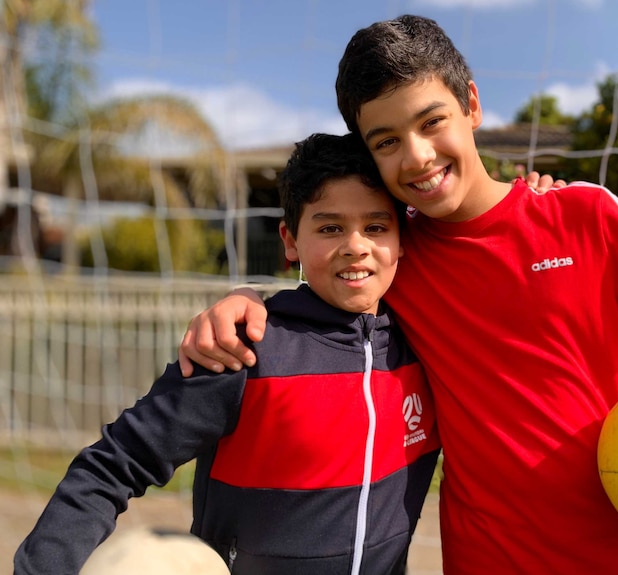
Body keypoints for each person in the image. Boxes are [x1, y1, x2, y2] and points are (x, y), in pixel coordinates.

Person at [178, 14, 618, 575]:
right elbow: (325, 278)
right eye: (386, 142)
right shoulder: (397, 253)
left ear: (472, 106)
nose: (418, 155)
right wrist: (245, 299)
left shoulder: (584, 215)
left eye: (433, 122)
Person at [14, 132, 441, 575]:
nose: (356, 245)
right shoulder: (241, 348)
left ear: (402, 236)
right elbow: (112, 467)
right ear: (290, 240)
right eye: (330, 227)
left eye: (376, 226)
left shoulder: (428, 347)